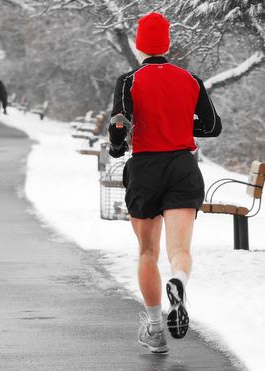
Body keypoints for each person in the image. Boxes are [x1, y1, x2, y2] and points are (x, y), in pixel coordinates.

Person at [108, 12, 221, 353]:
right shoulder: (190, 79)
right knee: (179, 250)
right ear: (167, 43)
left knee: (147, 251)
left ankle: (156, 328)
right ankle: (179, 282)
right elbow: (213, 126)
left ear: (140, 45)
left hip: (145, 169)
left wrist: (117, 146)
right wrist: (186, 128)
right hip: (183, 166)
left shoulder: (129, 81)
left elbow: (119, 127)